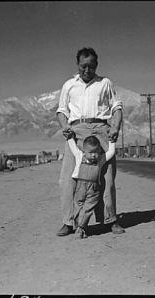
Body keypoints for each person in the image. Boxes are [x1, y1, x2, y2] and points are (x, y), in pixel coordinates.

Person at [56, 47, 125, 236]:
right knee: (67, 179)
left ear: (97, 65)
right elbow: (62, 111)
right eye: (83, 66)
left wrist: (115, 128)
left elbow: (117, 107)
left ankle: (111, 220)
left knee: (106, 178)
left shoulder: (105, 83)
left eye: (91, 66)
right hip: (76, 132)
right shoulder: (69, 85)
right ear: (77, 64)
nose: (87, 70)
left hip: (101, 130)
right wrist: (65, 126)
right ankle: (69, 222)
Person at [66, 131, 116, 239]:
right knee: (78, 206)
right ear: (84, 151)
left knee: (88, 208)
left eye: (96, 152)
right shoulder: (80, 156)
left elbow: (111, 152)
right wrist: (70, 138)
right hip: (80, 187)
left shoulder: (100, 159)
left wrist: (112, 141)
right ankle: (79, 226)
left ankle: (81, 227)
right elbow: (73, 147)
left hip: (94, 190)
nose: (93, 155)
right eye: (90, 152)